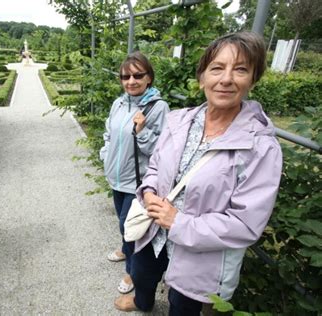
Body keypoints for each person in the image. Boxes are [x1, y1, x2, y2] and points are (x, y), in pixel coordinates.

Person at [114, 32, 283, 314]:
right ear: (202, 77)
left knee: (182, 306)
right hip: (152, 229)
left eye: (240, 69)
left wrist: (178, 223)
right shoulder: (178, 121)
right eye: (216, 68)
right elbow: (154, 167)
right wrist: (149, 192)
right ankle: (142, 301)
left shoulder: (260, 147)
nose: (226, 79)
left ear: (253, 79)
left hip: (199, 255)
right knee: (142, 275)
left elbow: (245, 224)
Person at [100, 52, 170, 295]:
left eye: (138, 75)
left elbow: (161, 151)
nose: (131, 81)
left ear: (149, 78)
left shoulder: (158, 108)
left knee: (129, 226)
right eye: (126, 76)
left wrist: (141, 131)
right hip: (116, 178)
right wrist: (105, 154)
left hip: (138, 183)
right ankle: (124, 249)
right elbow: (108, 133)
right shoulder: (119, 103)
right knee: (123, 222)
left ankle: (131, 271)